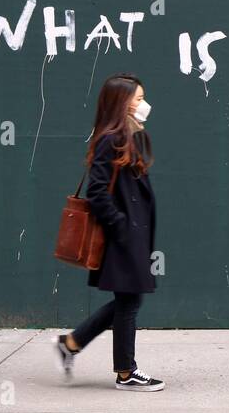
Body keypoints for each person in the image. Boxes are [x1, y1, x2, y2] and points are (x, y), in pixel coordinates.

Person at [54, 73, 163, 391]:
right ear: (122, 103)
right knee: (129, 301)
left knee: (129, 300)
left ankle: (72, 343)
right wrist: (121, 226)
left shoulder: (126, 134)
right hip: (122, 235)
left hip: (131, 233)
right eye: (139, 99)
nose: (144, 105)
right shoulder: (110, 138)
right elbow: (98, 190)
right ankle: (126, 373)